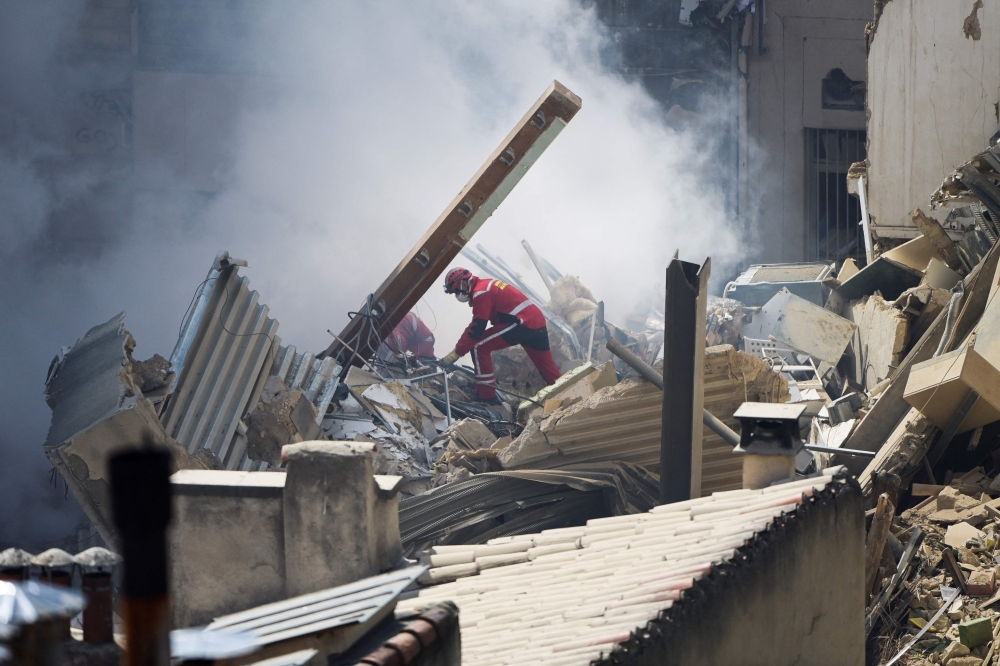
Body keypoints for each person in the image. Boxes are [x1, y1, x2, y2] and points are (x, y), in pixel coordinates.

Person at [439, 267, 562, 401]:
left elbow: (476, 328)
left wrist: (456, 353)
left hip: (521, 323)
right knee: (547, 367)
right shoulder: (486, 284)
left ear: (463, 283)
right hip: (536, 322)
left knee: (478, 346)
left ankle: (487, 396)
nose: (457, 295)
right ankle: (566, 392)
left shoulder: (481, 292)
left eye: (456, 291)